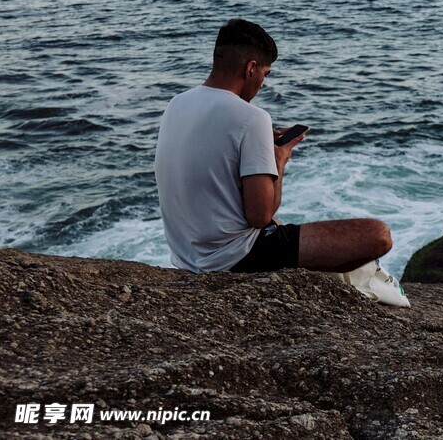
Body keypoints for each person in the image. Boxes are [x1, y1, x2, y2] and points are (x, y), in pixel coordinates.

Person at [155, 19, 402, 299]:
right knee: (378, 235)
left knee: (285, 228)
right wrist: (278, 159)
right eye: (265, 73)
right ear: (251, 68)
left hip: (187, 257)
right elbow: (260, 216)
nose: (262, 83)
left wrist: (255, 150)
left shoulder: (177, 104)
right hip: (235, 259)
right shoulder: (252, 118)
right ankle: (321, 288)